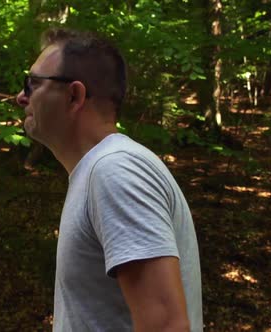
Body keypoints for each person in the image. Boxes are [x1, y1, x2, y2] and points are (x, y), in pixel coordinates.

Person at [16, 28, 203, 332]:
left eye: (33, 84)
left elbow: (167, 325)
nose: (21, 96)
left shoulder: (115, 171)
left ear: (74, 95)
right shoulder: (99, 171)